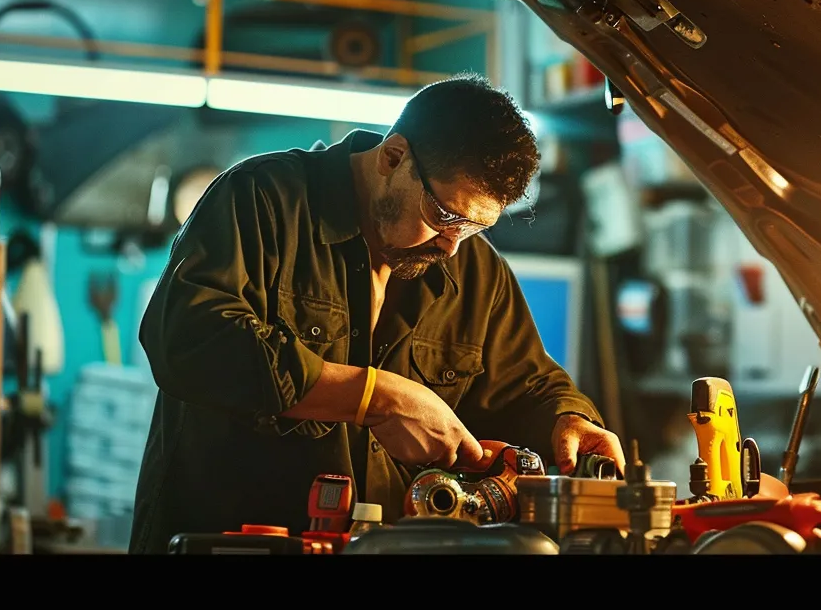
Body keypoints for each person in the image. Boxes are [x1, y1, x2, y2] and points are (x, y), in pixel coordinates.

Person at [128, 73, 624, 553]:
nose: (452, 248)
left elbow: (528, 385)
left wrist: (568, 420)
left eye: (475, 227)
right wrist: (371, 396)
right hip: (234, 540)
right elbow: (188, 336)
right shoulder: (263, 200)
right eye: (446, 216)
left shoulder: (474, 270)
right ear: (393, 156)